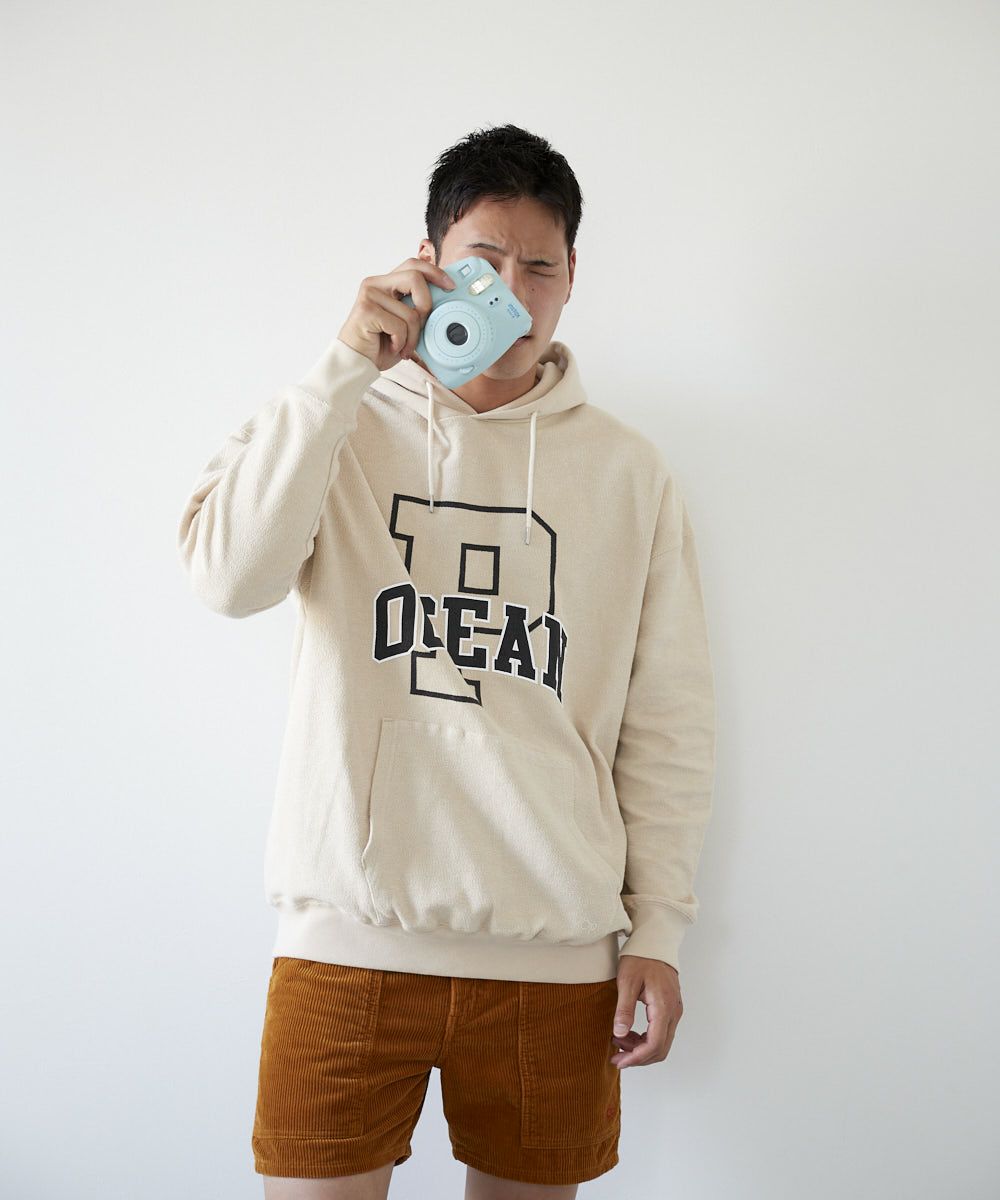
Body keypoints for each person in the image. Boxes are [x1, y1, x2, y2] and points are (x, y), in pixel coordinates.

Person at [176, 123, 717, 1200]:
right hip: (347, 942)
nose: (512, 291)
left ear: (572, 278)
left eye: (540, 267)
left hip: (553, 955)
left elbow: (667, 721)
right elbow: (227, 579)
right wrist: (344, 366)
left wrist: (657, 928)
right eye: (484, 260)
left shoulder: (627, 472)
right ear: (426, 260)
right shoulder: (334, 423)